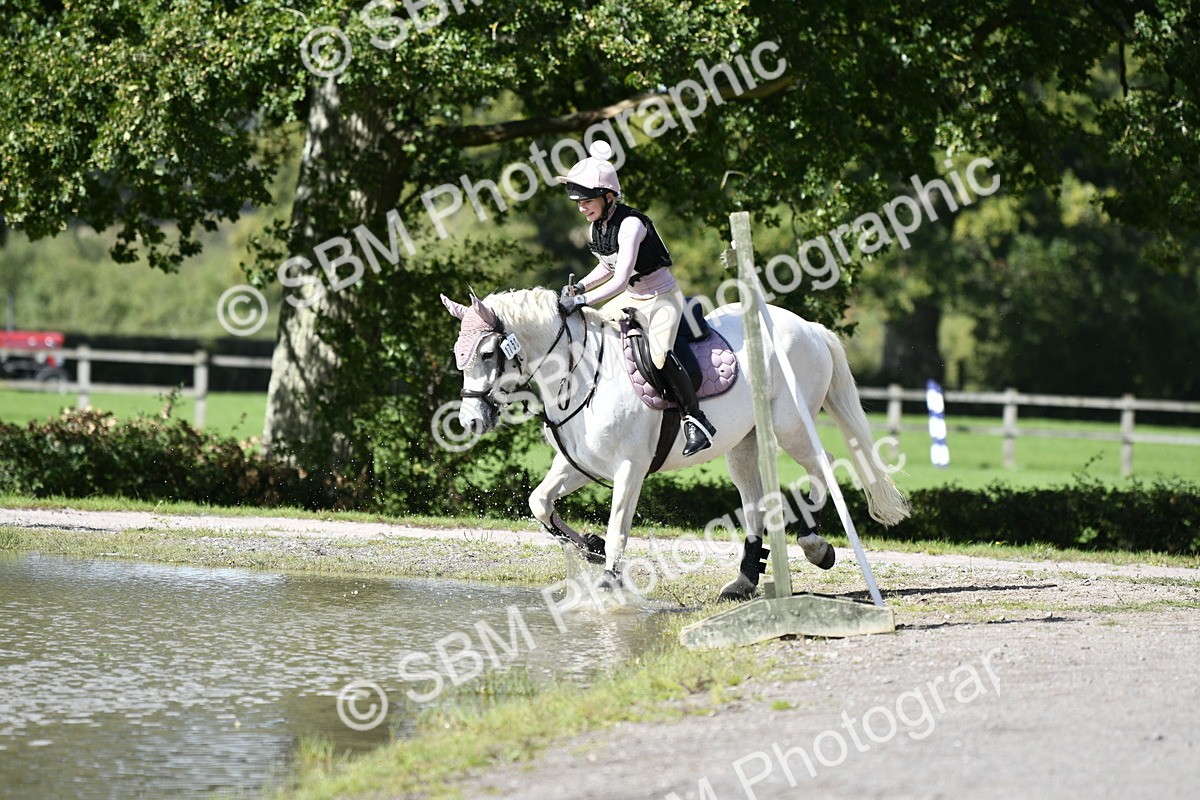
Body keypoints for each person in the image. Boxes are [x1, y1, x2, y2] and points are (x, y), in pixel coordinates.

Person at [555, 141, 716, 456]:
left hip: (661, 298)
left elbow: (618, 279)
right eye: (578, 202)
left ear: (608, 196)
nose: (581, 207)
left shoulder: (631, 225)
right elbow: (605, 268)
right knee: (593, 335)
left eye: (586, 201)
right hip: (630, 298)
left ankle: (696, 420)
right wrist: (579, 289)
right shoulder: (597, 228)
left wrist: (583, 301)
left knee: (658, 355)